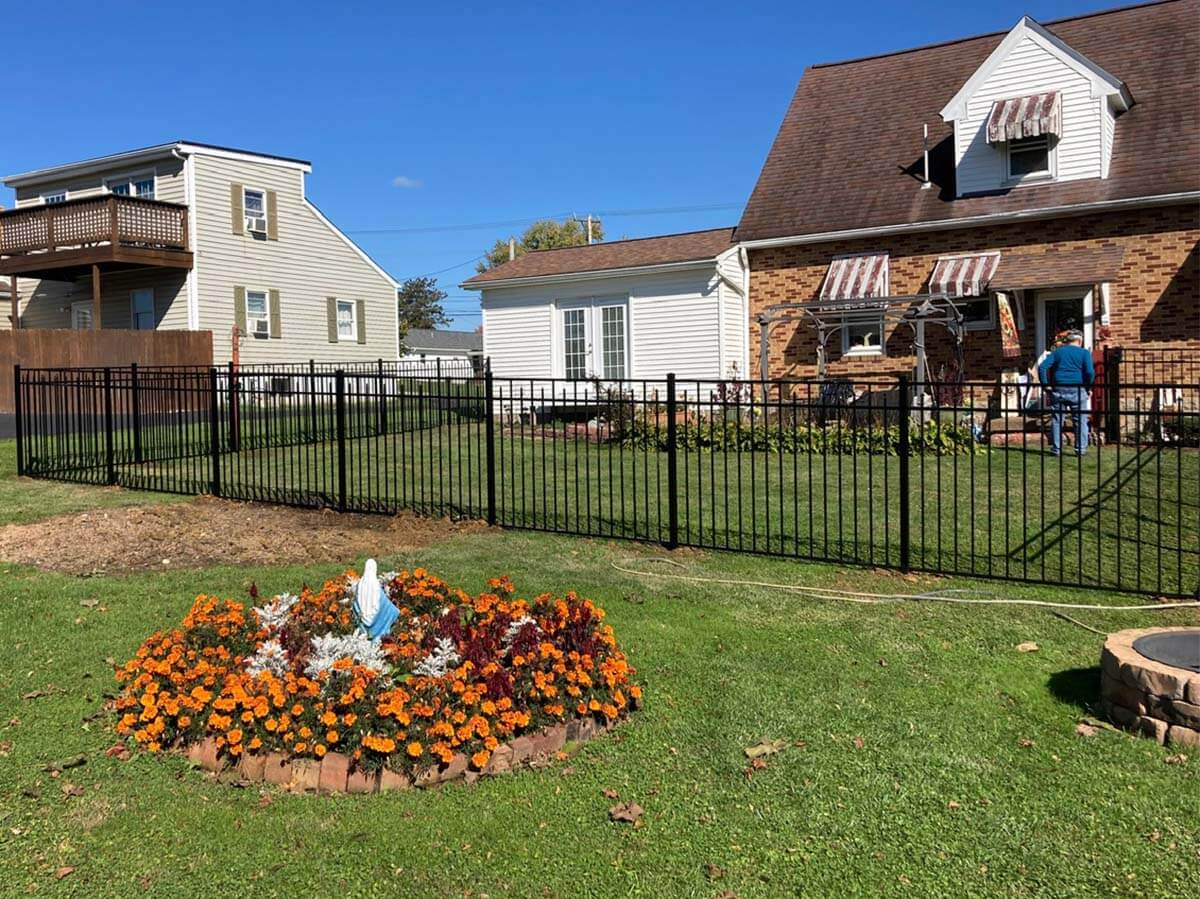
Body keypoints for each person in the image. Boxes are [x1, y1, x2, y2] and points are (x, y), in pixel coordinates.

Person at [1037, 330, 1095, 457]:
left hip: (1059, 389)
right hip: (1078, 389)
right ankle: (1080, 450)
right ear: (1079, 341)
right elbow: (1090, 372)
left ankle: (1056, 449)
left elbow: (1042, 367)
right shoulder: (1084, 353)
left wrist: (1046, 385)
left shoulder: (1058, 352)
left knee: (1057, 420)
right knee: (1080, 420)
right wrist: (1088, 387)